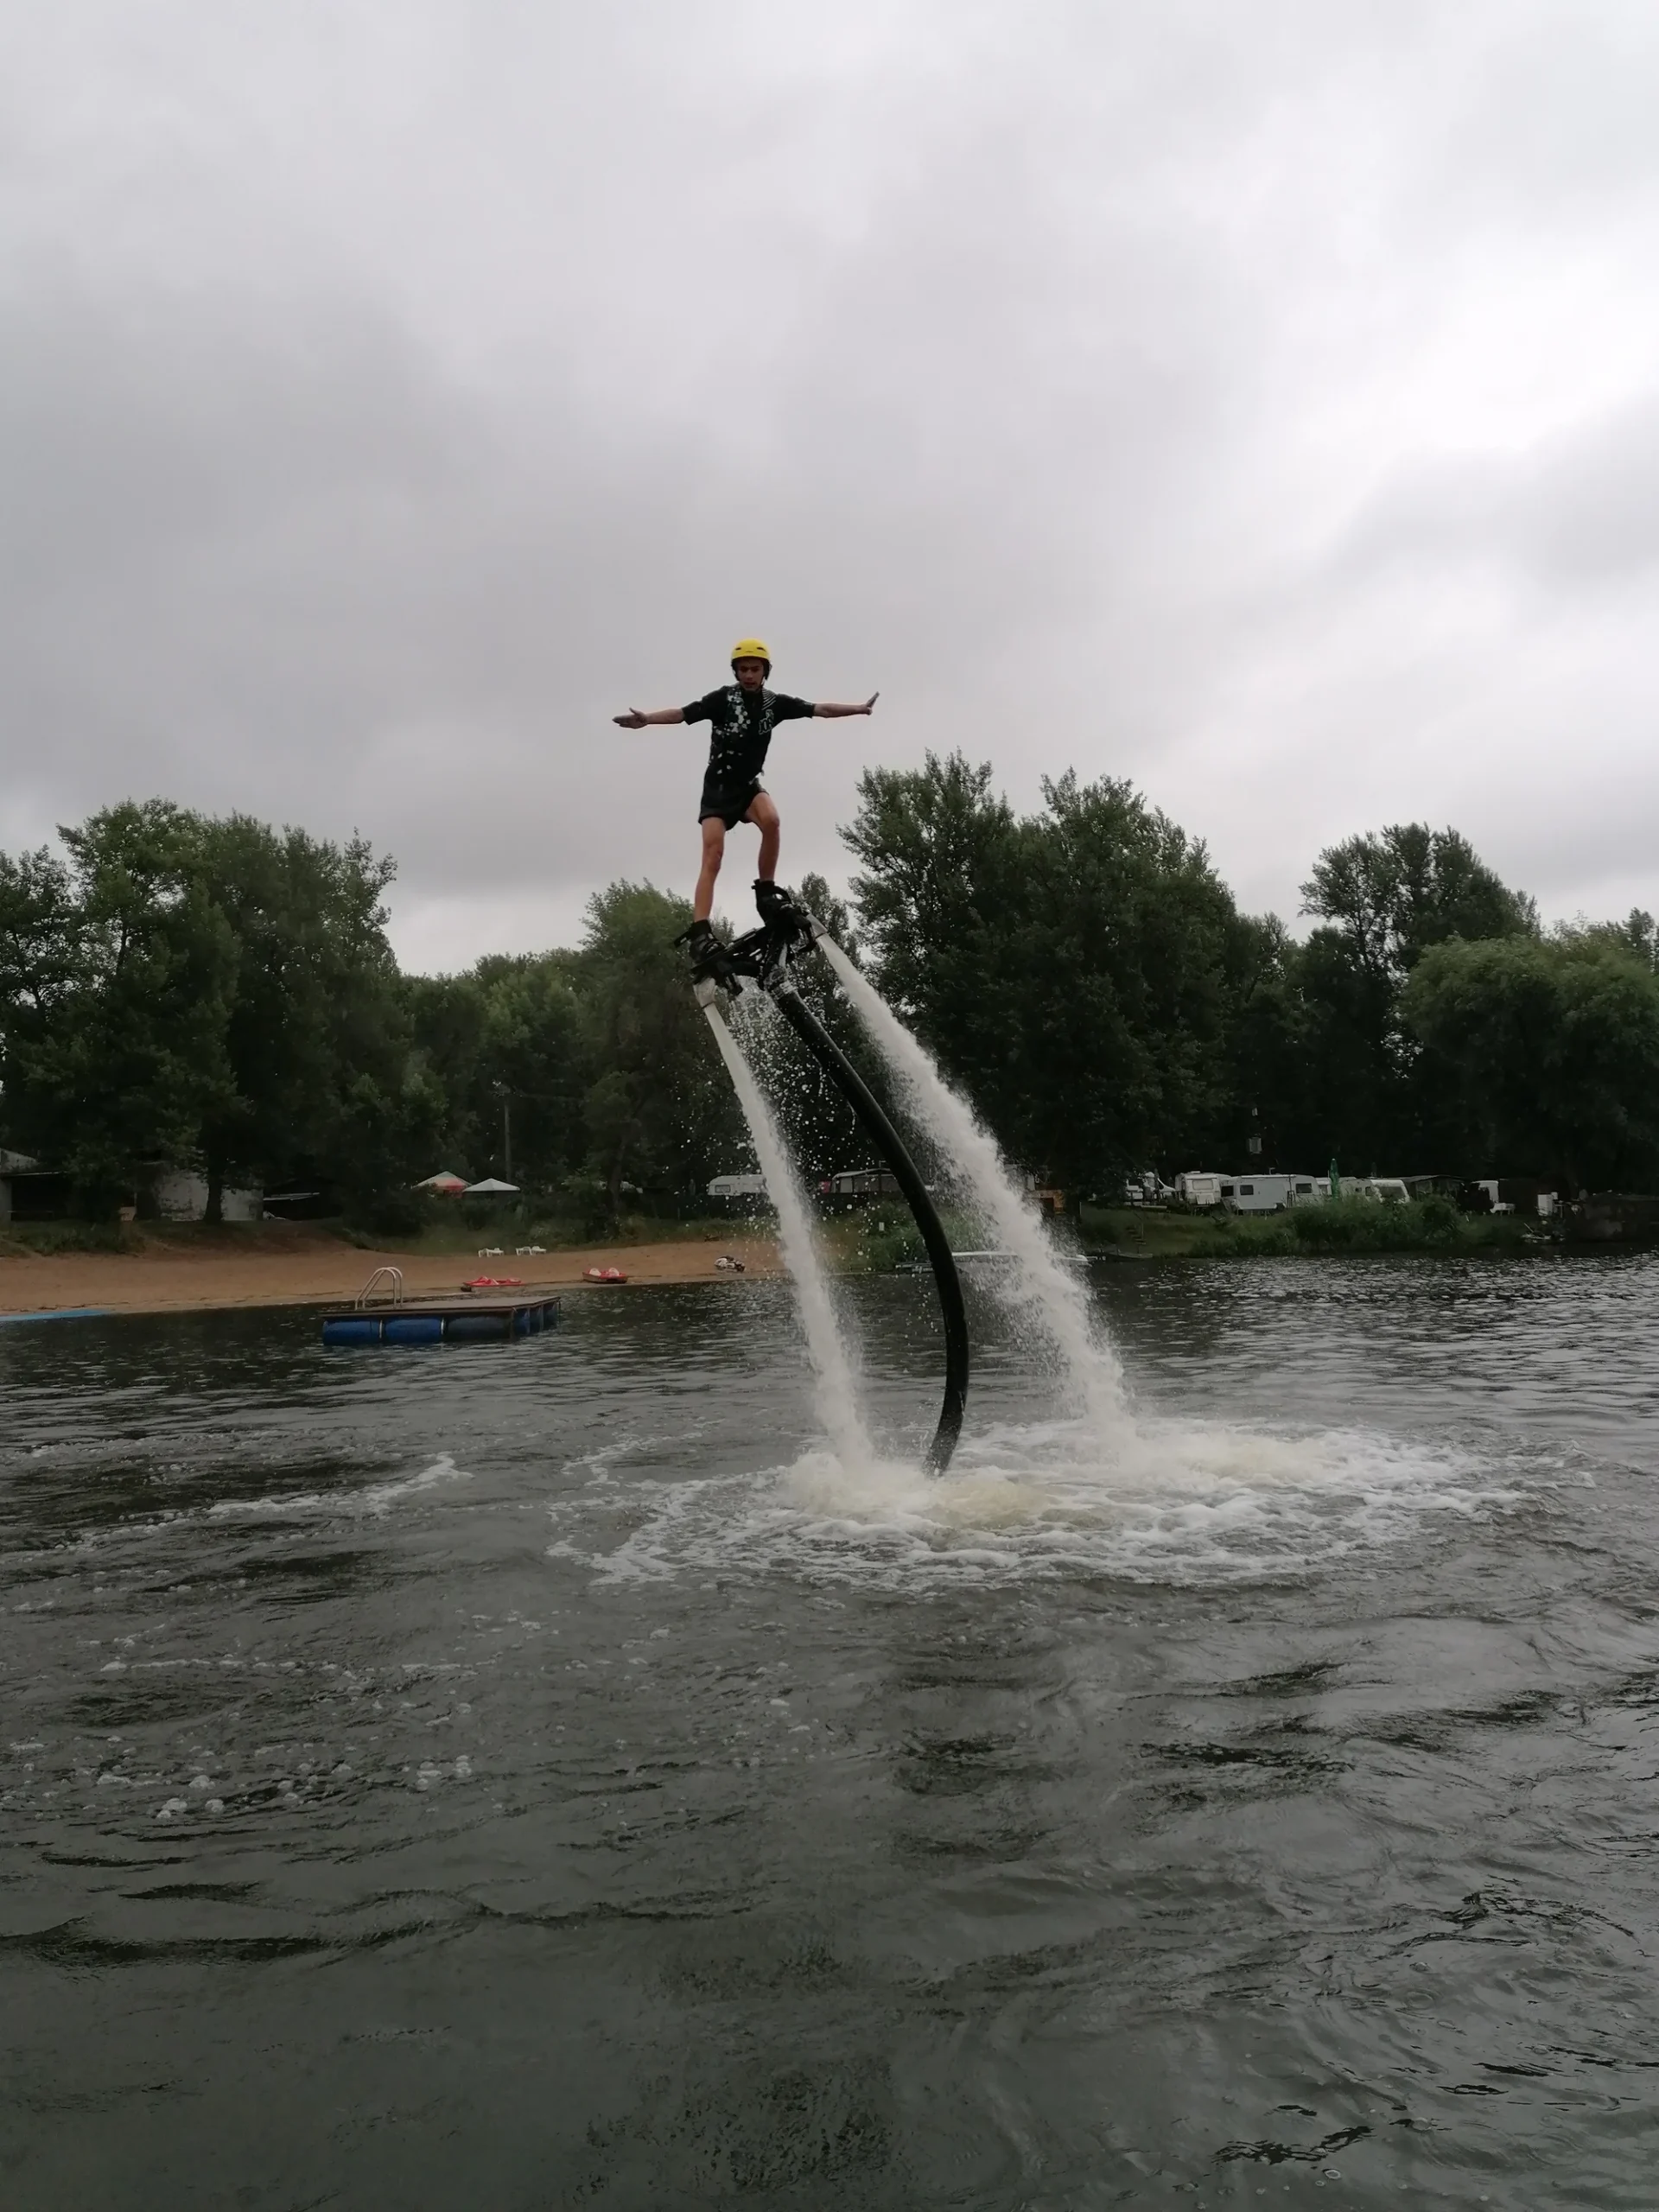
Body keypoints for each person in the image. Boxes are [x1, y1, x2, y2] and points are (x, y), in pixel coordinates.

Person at [613, 639, 876, 960]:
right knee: (714, 854)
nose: (749, 675)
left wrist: (859, 709)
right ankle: (701, 931)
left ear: (765, 671)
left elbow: (819, 709)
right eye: (743, 669)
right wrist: (647, 719)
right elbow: (682, 714)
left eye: (755, 669)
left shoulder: (773, 704)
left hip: (748, 786)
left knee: (772, 820)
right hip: (719, 788)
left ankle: (765, 892)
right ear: (735, 671)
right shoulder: (722, 699)